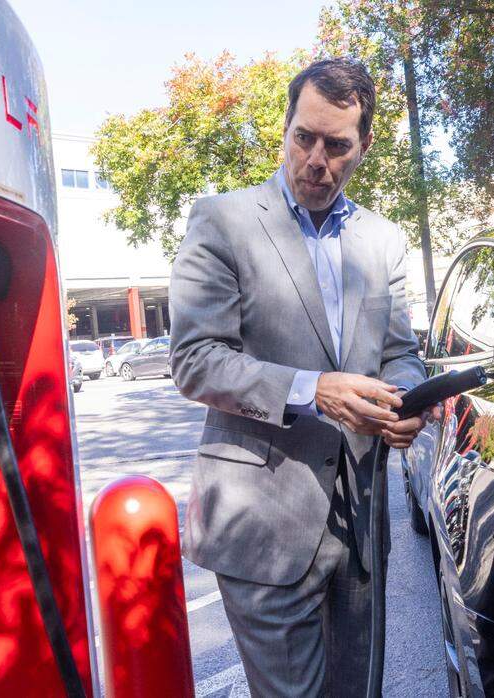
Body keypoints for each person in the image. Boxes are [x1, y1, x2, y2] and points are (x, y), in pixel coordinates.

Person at [169, 58, 427, 696]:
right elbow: (196, 360)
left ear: (363, 146)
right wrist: (312, 389)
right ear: (285, 129)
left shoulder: (384, 242)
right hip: (264, 522)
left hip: (361, 523)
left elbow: (400, 353)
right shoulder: (222, 220)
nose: (316, 159)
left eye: (337, 145)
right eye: (303, 138)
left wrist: (408, 401)